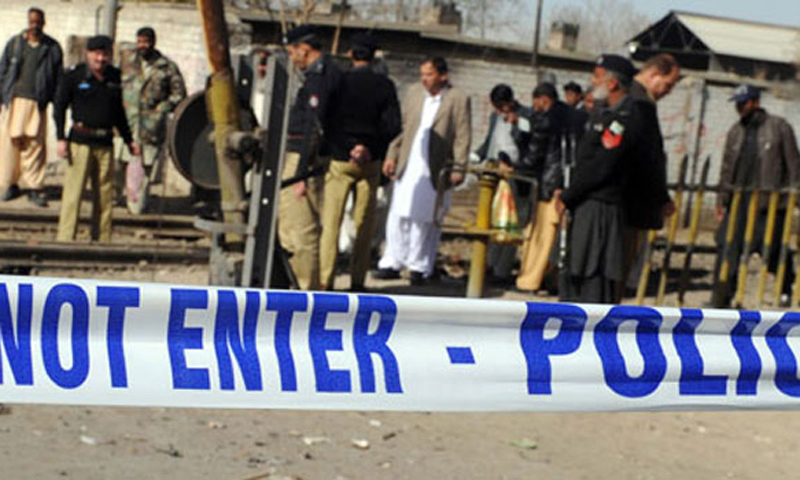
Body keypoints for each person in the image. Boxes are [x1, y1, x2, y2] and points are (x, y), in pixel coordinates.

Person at [374, 56, 471, 285]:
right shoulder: (415, 93)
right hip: (409, 162)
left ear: (442, 75)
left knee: (425, 217)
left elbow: (462, 135)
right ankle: (393, 261)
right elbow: (402, 126)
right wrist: (392, 155)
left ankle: (419, 265)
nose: (424, 79)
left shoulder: (457, 98)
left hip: (435, 165)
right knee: (398, 213)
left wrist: (459, 167)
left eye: (429, 74)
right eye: (423, 74)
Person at [555, 55, 643, 303]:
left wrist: (568, 195)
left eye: (597, 76)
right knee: (575, 268)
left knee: (592, 271)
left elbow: (601, 167)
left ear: (613, 83)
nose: (592, 82)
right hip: (585, 202)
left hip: (599, 206)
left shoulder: (623, 119)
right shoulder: (603, 114)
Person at [319, 32, 401, 291]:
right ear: (374, 57)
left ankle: (325, 280)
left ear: (351, 54)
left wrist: (349, 148)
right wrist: (368, 149)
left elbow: (327, 120)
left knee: (331, 224)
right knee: (364, 227)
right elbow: (393, 125)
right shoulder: (385, 85)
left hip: (341, 161)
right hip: (370, 163)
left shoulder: (339, 82)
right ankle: (357, 281)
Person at [712, 84, 800, 307]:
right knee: (727, 246)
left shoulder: (779, 127)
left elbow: (793, 166)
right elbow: (726, 167)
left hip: (769, 203)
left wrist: (794, 198)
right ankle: (723, 295)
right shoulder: (736, 131)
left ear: (755, 102)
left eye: (744, 103)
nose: (740, 108)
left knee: (773, 248)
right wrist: (722, 199)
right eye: (738, 104)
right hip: (738, 201)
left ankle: (784, 289)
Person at [54, 35, 139, 242]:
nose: (101, 59)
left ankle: (101, 240)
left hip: (105, 144)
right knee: (73, 196)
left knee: (105, 196)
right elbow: (59, 107)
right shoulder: (74, 76)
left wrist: (129, 141)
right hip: (80, 143)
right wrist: (60, 138)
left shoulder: (114, 77)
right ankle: (65, 240)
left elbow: (119, 112)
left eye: (105, 54)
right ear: (88, 54)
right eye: (97, 54)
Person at [279, 25, 343, 290]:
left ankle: (306, 292)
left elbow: (313, 128)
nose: (292, 58)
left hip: (303, 162)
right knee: (292, 226)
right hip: (303, 159)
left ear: (304, 49)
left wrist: (301, 173)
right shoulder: (322, 73)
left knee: (301, 230)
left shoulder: (321, 78)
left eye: (293, 52)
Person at [622, 53, 681, 285]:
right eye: (668, 84)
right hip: (631, 201)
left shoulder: (633, 97)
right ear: (654, 74)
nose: (669, 91)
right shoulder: (639, 103)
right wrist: (660, 197)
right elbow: (648, 157)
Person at [0, 7, 63, 207]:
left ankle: (35, 187)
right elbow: (3, 72)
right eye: (32, 21)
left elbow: (58, 78)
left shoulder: (52, 48)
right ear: (28, 22)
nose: (35, 25)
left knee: (34, 146)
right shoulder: (15, 44)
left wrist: (57, 102)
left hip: (38, 102)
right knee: (10, 145)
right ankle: (9, 184)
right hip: (15, 100)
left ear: (44, 23)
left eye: (38, 22)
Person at [120, 26, 186, 214]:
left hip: (150, 127)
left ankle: (136, 207)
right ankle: (120, 200)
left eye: (146, 42)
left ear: (153, 42)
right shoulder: (127, 62)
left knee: (144, 168)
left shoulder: (166, 67)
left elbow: (179, 94)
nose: (143, 46)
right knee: (120, 165)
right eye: (140, 41)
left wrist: (161, 108)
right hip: (127, 124)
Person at [474, 84, 533, 285]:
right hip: (494, 174)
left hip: (514, 176)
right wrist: (477, 155)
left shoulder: (525, 115)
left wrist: (516, 123)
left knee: (510, 223)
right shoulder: (495, 117)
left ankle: (502, 270)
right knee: (490, 220)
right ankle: (487, 264)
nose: (499, 111)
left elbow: (527, 140)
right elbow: (490, 140)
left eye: (502, 106)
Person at [515, 82, 571, 293]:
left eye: (535, 102)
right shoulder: (570, 115)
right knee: (556, 238)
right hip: (566, 184)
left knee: (540, 236)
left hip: (548, 184)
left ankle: (529, 280)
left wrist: (517, 167)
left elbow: (536, 153)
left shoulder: (548, 120)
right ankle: (550, 277)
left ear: (543, 99)